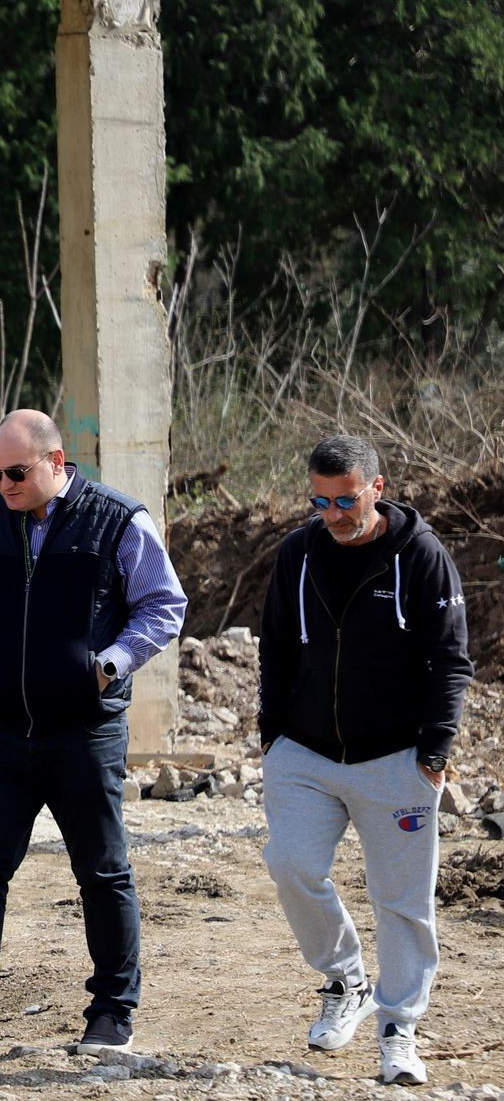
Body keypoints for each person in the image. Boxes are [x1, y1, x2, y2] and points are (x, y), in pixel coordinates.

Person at [0, 409, 185, 1058]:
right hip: (1, 729)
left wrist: (112, 663)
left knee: (101, 873)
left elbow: (165, 605)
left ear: (56, 463)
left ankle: (111, 1014)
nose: (4, 484)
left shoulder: (118, 519)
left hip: (84, 730)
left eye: (15, 472)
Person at [256, 435, 473, 1087]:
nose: (333, 513)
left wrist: (433, 752)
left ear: (377, 488)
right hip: (305, 752)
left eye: (345, 499)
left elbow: (451, 661)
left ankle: (399, 1030)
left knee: (402, 903)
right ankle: (344, 978)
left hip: (396, 759)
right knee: (291, 865)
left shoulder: (422, 557)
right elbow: (274, 648)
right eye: (320, 501)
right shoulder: (296, 555)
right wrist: (272, 736)